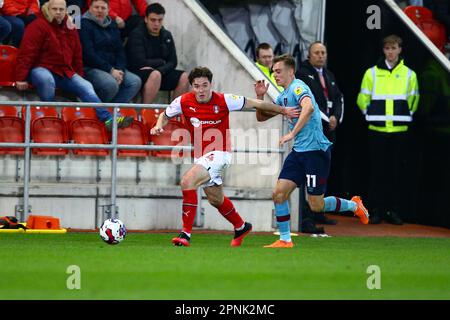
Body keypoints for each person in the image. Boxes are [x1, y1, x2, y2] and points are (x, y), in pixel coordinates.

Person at [150, 66, 299, 247]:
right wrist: (159, 125)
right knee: (215, 199)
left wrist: (283, 110)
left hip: (220, 153)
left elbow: (256, 104)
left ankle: (185, 234)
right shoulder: (182, 101)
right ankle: (241, 226)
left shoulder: (225, 100)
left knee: (187, 181)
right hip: (201, 157)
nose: (201, 90)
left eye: (205, 85)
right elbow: (165, 115)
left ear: (211, 84)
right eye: (197, 86)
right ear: (192, 86)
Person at [255, 54, 369, 248]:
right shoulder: (283, 96)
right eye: (273, 72)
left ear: (291, 71)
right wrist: (260, 97)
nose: (275, 75)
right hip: (299, 153)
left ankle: (353, 204)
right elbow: (261, 117)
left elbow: (307, 108)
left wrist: (292, 133)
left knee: (316, 205)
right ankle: (285, 239)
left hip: (316, 151)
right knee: (279, 194)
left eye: (279, 71)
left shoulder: (299, 87)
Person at [14, 0, 132, 130]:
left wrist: (79, 75)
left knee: (86, 85)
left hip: (64, 71)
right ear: (47, 9)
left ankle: (108, 119)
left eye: (61, 9)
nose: (58, 12)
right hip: (41, 68)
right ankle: (50, 117)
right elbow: (27, 52)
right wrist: (21, 77)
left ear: (66, 10)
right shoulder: (37, 25)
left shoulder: (70, 27)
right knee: (45, 79)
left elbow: (77, 53)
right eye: (55, 9)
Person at [357, 34, 419, 225]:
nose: (390, 52)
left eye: (394, 48)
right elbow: (362, 98)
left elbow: (414, 99)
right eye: (387, 48)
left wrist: (405, 115)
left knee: (396, 173)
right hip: (377, 128)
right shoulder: (372, 73)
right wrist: (369, 114)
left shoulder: (409, 74)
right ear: (383, 50)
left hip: (399, 130)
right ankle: (375, 210)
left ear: (400, 50)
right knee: (377, 172)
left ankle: (393, 210)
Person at [296, 41, 344, 228]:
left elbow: (339, 98)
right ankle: (307, 215)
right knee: (309, 174)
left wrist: (336, 118)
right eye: (316, 53)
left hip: (328, 132)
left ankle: (318, 211)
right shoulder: (302, 74)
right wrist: (326, 118)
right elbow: (310, 102)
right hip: (312, 131)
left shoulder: (329, 75)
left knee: (322, 172)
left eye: (323, 52)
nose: (320, 56)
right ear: (309, 55)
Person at [78, 0, 141, 104]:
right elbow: (88, 54)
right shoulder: (84, 24)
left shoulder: (112, 25)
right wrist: (111, 70)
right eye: (96, 7)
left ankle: (111, 111)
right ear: (90, 8)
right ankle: (96, 110)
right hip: (91, 67)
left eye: (103, 8)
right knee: (110, 84)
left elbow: (120, 50)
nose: (99, 11)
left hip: (114, 68)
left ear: (108, 10)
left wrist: (120, 70)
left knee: (134, 82)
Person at [126, 2, 189, 104]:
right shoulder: (137, 34)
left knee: (184, 77)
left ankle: (173, 114)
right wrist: (161, 62)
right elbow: (139, 62)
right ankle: (145, 112)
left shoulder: (166, 35)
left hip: (160, 72)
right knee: (155, 75)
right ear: (146, 19)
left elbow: (173, 61)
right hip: (140, 73)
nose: (156, 24)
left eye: (160, 20)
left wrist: (160, 69)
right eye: (153, 20)